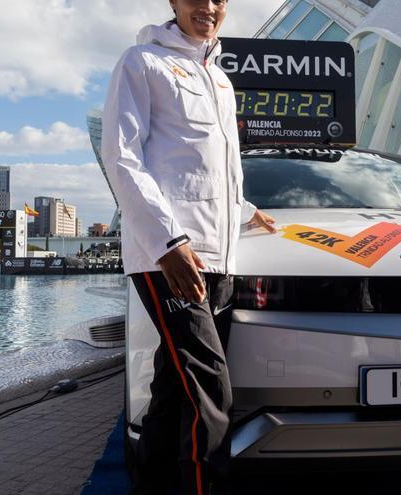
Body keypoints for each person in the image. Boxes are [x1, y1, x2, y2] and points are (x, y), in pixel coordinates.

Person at [100, 1, 277, 494]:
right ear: (173, 3)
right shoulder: (142, 62)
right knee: (210, 390)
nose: (209, 7)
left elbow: (214, 169)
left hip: (220, 256)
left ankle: (152, 484)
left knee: (175, 389)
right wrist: (167, 243)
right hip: (173, 255)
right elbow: (122, 156)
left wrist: (245, 211)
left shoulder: (220, 80)